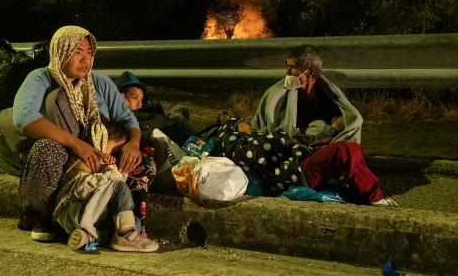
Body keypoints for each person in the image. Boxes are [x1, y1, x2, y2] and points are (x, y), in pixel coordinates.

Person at [11, 26, 148, 243]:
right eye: (78, 52)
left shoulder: (100, 83)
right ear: (61, 51)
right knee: (47, 150)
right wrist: (76, 145)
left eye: (89, 53)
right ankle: (44, 215)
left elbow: (128, 119)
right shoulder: (41, 79)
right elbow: (24, 118)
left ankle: (122, 220)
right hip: (65, 158)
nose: (85, 59)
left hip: (98, 155)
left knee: (143, 158)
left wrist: (133, 143)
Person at [224, 45, 397, 206]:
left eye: (293, 68)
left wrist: (328, 140)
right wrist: (292, 140)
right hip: (292, 162)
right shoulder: (276, 95)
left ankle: (366, 191)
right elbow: (264, 135)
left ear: (311, 72)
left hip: (312, 151)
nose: (287, 72)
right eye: (287, 66)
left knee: (350, 150)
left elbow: (346, 123)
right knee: (346, 152)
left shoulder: (327, 96)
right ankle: (375, 198)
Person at [54, 121, 157, 253]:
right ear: (101, 142)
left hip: (89, 221)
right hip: (74, 209)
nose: (113, 157)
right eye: (113, 151)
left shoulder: (103, 165)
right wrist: (109, 169)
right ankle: (128, 234)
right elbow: (81, 189)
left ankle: (88, 238)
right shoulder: (82, 161)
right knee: (119, 187)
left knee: (133, 219)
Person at [117, 71, 194, 150]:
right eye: (135, 98)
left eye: (141, 99)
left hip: (152, 122)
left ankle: (195, 141)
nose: (139, 104)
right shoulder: (121, 116)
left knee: (181, 108)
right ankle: (199, 145)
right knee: (178, 117)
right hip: (152, 131)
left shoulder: (139, 109)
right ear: (122, 97)